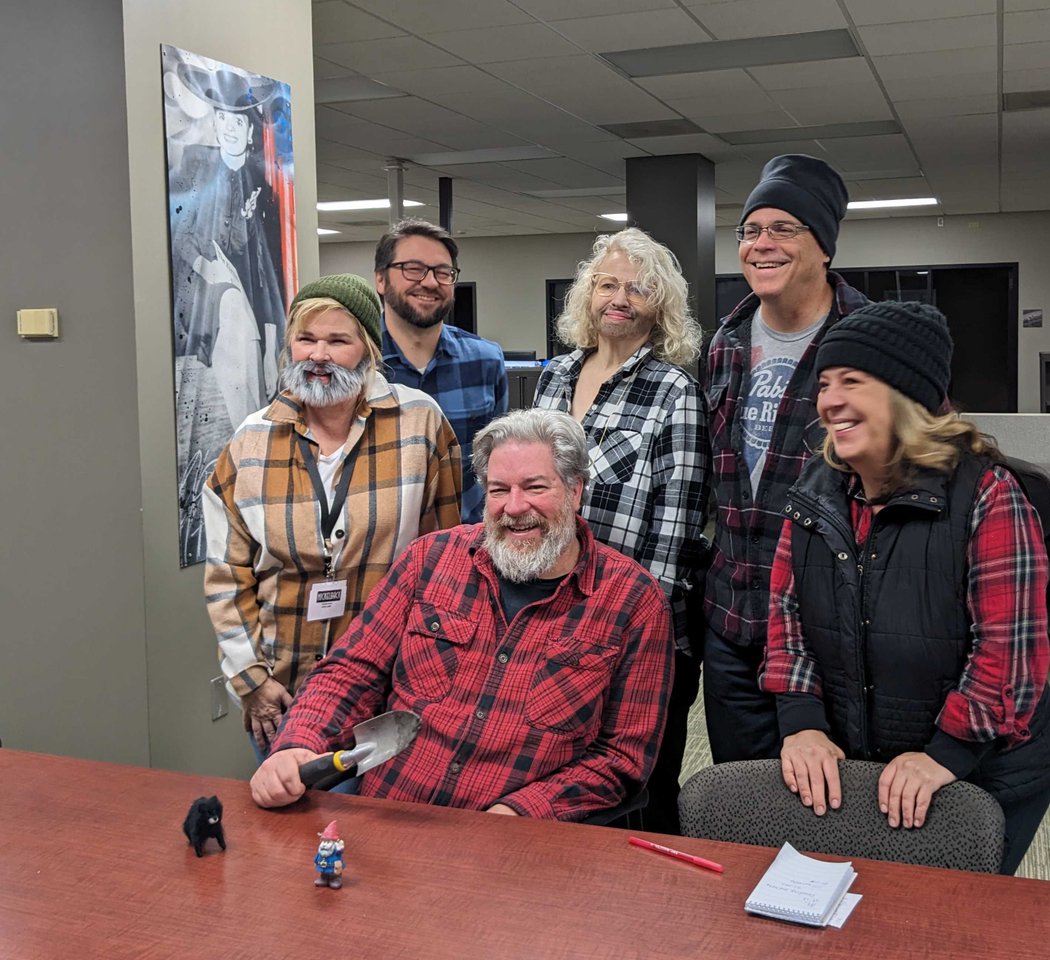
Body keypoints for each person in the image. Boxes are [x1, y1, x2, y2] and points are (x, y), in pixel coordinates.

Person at [761, 301, 1050, 875]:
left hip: (984, 771)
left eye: (852, 381)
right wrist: (802, 722)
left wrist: (944, 755)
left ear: (908, 397)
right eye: (825, 383)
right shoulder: (814, 491)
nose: (829, 400)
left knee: (948, 920)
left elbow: (1009, 657)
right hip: (868, 763)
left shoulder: (988, 496)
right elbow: (786, 622)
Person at [250, 409, 674, 822]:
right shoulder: (430, 560)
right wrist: (297, 743)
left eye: (535, 487)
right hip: (392, 823)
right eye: (498, 490)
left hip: (519, 847)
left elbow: (623, 757)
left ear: (576, 490)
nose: (514, 507)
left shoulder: (633, 602)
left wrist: (521, 812)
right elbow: (351, 672)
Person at [204, 273, 462, 775]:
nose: (318, 355)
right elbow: (225, 575)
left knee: (379, 843)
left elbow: (445, 559)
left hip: (389, 688)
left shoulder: (420, 424)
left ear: (367, 348)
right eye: (306, 339)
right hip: (284, 691)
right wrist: (250, 679)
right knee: (294, 839)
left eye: (338, 341)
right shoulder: (250, 442)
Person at [533, 228, 709, 834]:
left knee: (642, 781)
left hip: (639, 626)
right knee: (564, 770)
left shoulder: (675, 391)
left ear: (660, 306)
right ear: (588, 294)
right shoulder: (555, 377)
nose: (620, 298)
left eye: (638, 289)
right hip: (556, 612)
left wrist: (634, 628)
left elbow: (676, 530)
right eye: (608, 284)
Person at [704, 154, 870, 764]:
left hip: (828, 624)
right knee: (741, 801)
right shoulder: (725, 340)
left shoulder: (870, 338)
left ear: (823, 246)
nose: (761, 244)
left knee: (832, 806)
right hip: (733, 620)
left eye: (783, 229)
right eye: (750, 230)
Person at [169, 66, 289, 430]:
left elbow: (262, 267)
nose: (229, 128)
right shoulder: (195, 165)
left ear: (250, 130)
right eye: (222, 119)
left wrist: (274, 335)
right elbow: (181, 237)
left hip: (243, 291)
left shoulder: (259, 184)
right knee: (237, 318)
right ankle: (248, 437)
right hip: (202, 289)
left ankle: (253, 434)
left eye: (237, 122)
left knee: (259, 339)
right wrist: (211, 270)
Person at [375, 218, 508, 524]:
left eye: (443, 272)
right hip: (382, 555)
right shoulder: (357, 366)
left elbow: (496, 464)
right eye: (413, 269)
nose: (431, 282)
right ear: (381, 279)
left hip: (467, 548)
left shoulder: (485, 360)